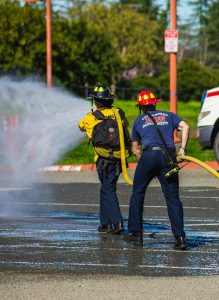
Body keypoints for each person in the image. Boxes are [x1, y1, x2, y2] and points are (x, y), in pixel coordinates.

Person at [123, 90, 190, 250]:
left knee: (138, 193)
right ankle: (180, 238)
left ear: (141, 107)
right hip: (168, 157)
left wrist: (144, 164)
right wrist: (182, 149)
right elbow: (185, 127)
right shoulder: (169, 115)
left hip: (149, 155)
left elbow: (136, 149)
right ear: (155, 103)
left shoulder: (138, 121)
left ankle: (135, 235)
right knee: (173, 197)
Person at [78, 83, 131, 234]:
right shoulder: (119, 113)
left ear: (95, 101)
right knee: (106, 188)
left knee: (108, 189)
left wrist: (92, 114)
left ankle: (117, 222)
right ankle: (105, 223)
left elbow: (80, 126)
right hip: (119, 158)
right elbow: (124, 125)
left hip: (103, 159)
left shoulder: (90, 118)